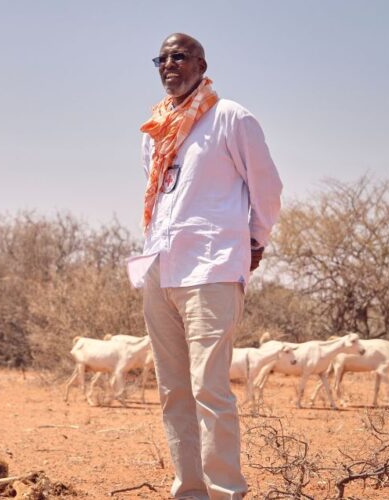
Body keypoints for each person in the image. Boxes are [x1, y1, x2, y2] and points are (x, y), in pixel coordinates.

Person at [129, 33, 283, 499]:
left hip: (212, 267)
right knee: (173, 392)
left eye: (180, 56)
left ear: (201, 63)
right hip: (161, 267)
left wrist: (254, 242)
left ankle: (224, 493)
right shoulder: (155, 129)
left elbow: (268, 188)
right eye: (162, 58)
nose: (169, 64)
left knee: (210, 390)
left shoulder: (230, 117)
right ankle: (190, 491)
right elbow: (160, 200)